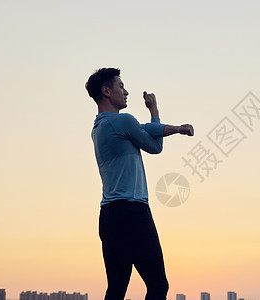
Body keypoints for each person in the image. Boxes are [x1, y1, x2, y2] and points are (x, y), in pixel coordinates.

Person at [85, 68, 194, 300]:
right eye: (121, 86)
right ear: (106, 91)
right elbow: (155, 146)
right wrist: (162, 116)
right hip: (131, 212)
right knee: (158, 286)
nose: (126, 92)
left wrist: (170, 127)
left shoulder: (100, 127)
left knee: (116, 289)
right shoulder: (123, 121)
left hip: (109, 216)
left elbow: (145, 130)